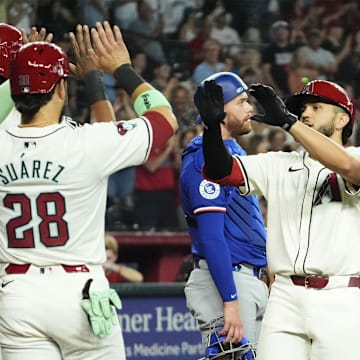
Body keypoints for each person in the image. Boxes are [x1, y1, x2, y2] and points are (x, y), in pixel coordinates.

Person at [0, 20, 177, 360]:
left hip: (16, 294)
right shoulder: (87, 144)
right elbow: (165, 119)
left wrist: (22, 65)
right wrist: (119, 70)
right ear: (62, 89)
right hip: (79, 292)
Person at [197, 78, 360, 359]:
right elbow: (222, 172)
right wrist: (212, 129)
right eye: (302, 108)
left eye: (316, 107)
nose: (305, 113)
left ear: (342, 119)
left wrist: (288, 123)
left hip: (341, 297)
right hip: (285, 297)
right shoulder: (279, 163)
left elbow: (347, 166)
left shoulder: (356, 157)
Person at [180, 72, 268, 356]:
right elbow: (212, 237)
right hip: (228, 280)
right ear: (220, 111)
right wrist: (230, 301)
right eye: (242, 102)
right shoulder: (203, 158)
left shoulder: (234, 151)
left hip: (248, 279)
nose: (250, 109)